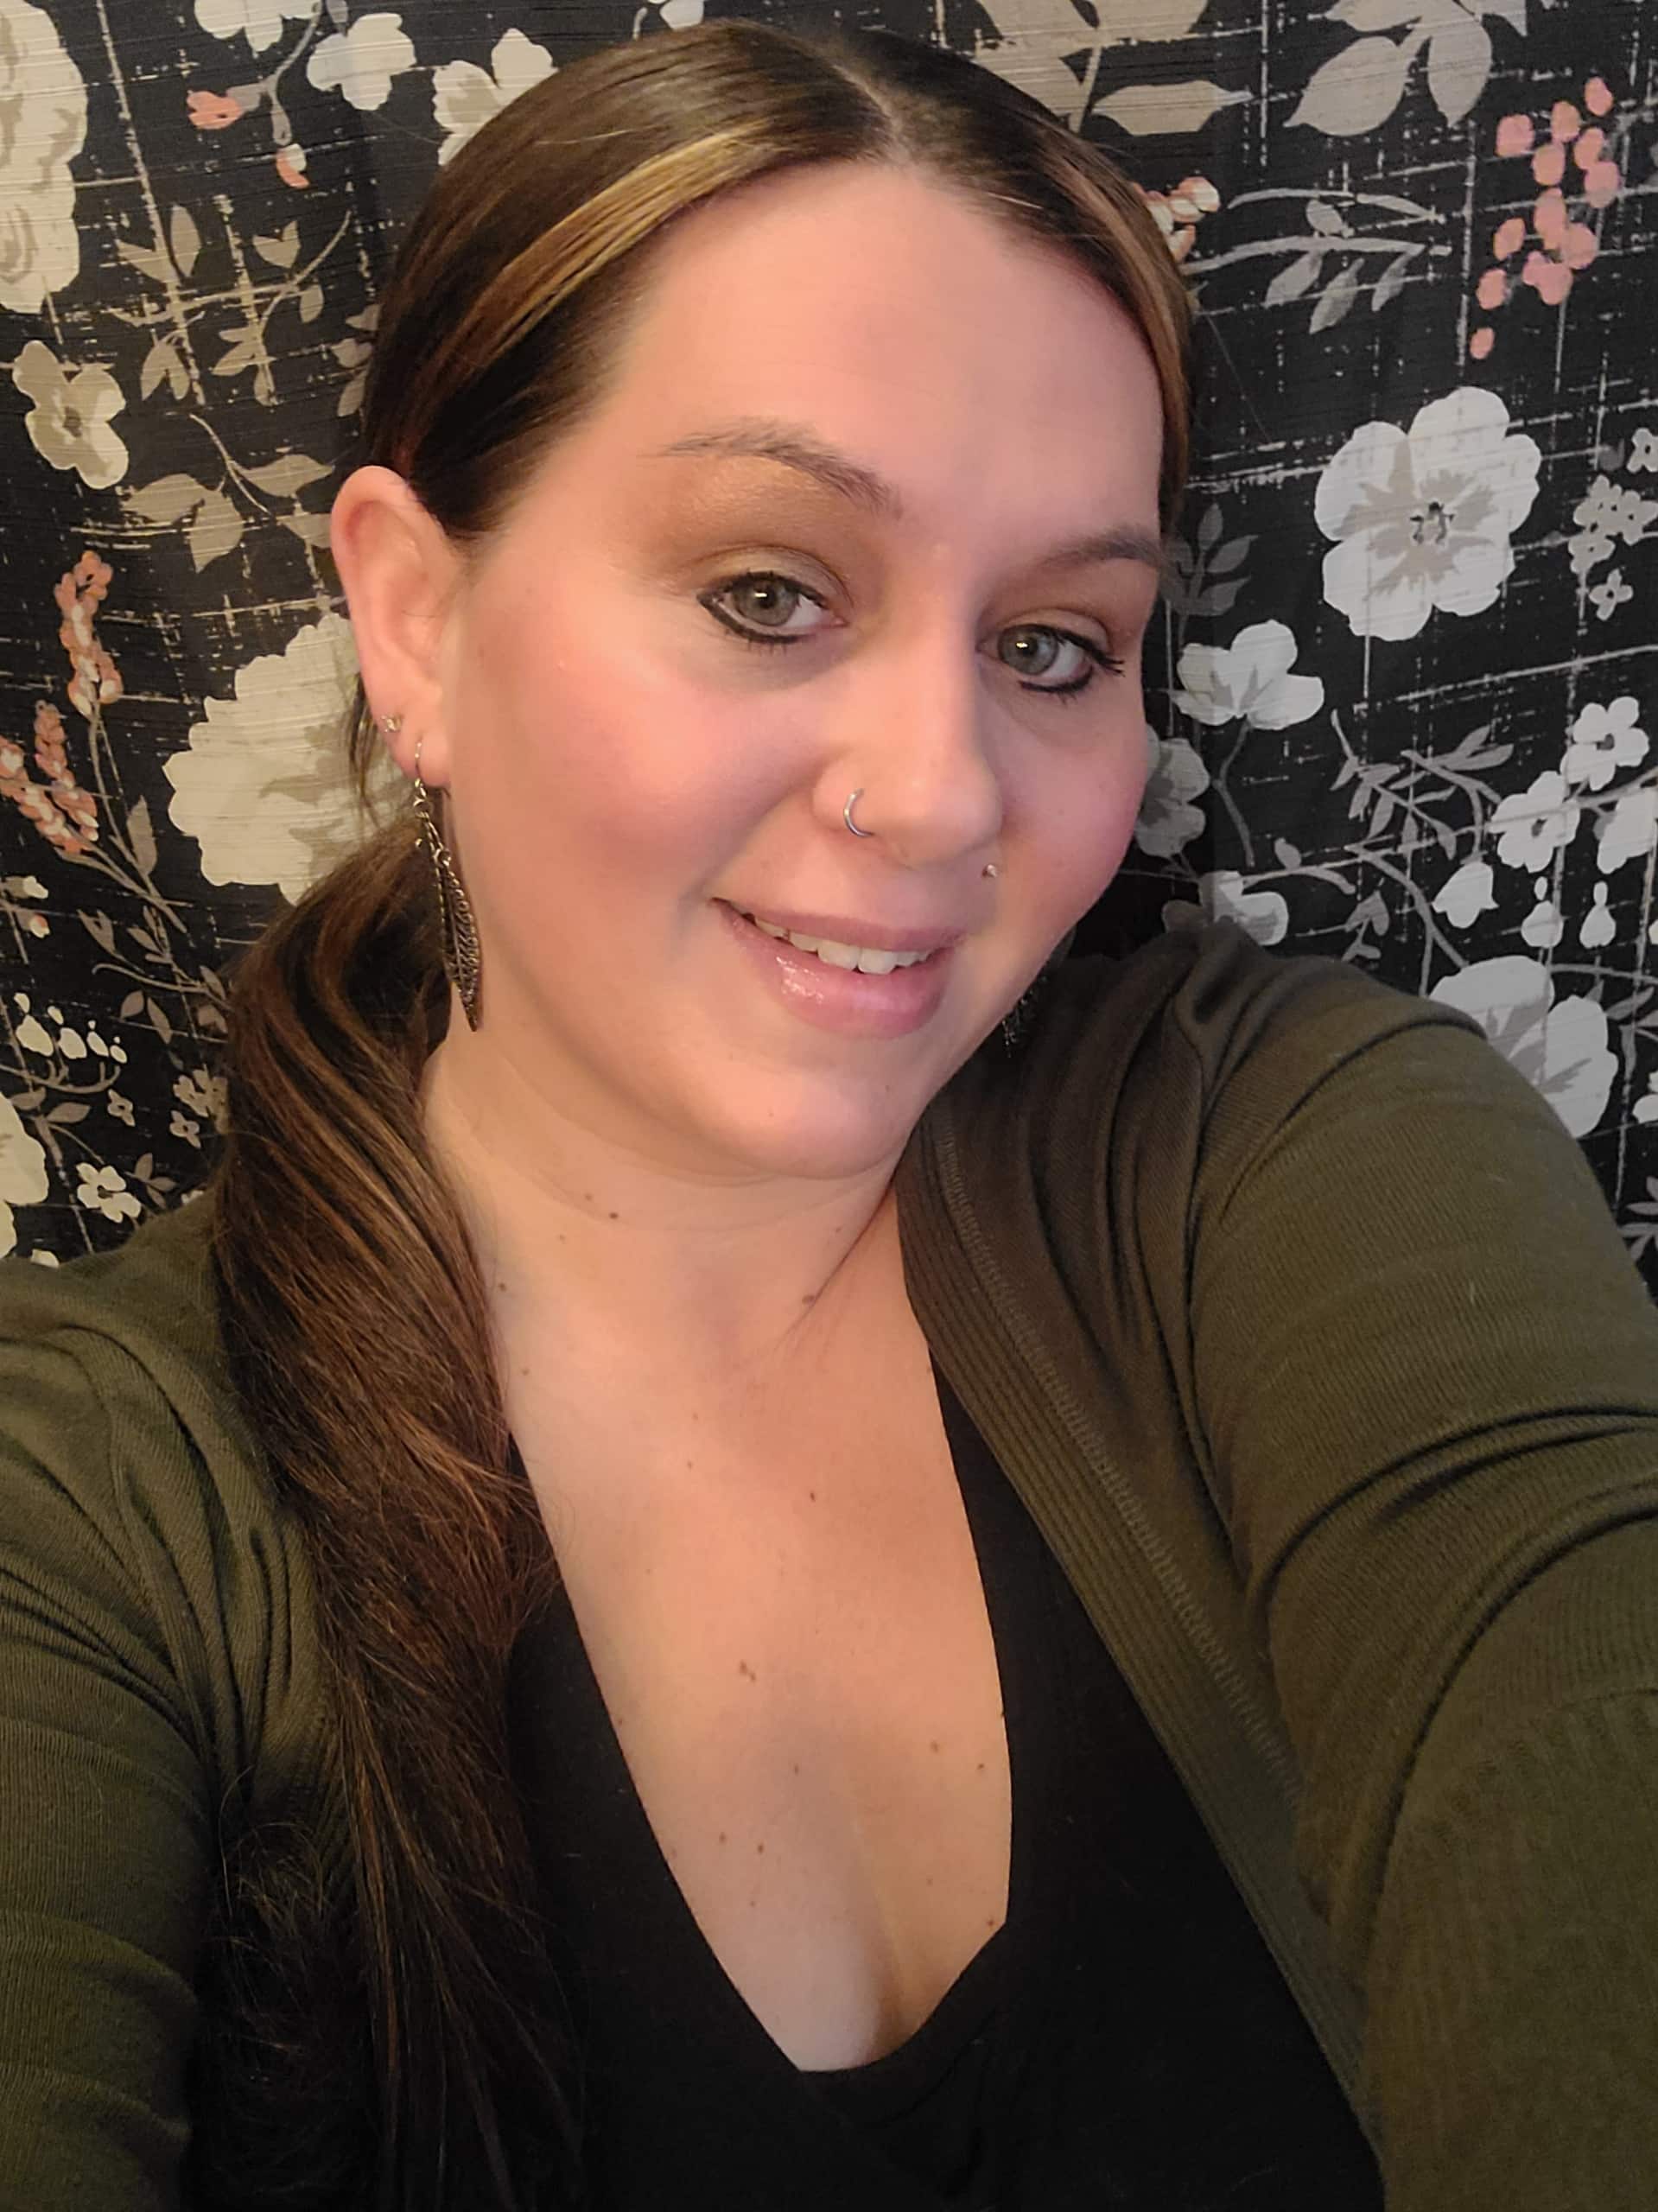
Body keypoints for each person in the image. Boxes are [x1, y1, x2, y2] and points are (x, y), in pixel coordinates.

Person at [2, 16, 1655, 2211]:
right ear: (415, 618)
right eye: (767, 593)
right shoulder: (95, 1496)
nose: (946, 795)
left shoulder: (1281, 1151)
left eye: (1054, 645)